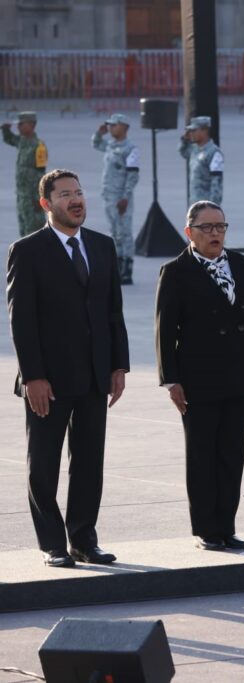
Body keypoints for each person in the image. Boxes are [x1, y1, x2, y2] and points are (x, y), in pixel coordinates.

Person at [7, 169, 129, 568]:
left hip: (95, 375)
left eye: (78, 192)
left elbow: (113, 312)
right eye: (64, 195)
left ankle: (83, 540)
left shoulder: (102, 246)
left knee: (89, 462)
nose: (75, 200)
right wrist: (34, 377)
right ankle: (52, 544)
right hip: (49, 380)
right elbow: (21, 320)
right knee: (43, 464)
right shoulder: (27, 250)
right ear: (46, 204)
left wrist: (118, 366)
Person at [156, 200, 244, 551]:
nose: (215, 234)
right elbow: (164, 330)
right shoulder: (176, 271)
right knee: (203, 454)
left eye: (220, 227)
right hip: (198, 380)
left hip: (238, 375)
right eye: (207, 228)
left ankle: (227, 525)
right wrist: (171, 379)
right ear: (189, 232)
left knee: (232, 453)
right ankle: (207, 528)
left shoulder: (242, 264)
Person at [92, 113, 140, 285]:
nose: (111, 128)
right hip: (109, 197)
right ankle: (118, 266)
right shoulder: (110, 145)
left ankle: (127, 270)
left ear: (124, 127)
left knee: (125, 233)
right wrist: (99, 133)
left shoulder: (131, 149)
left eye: (114, 125)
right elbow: (96, 144)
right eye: (110, 125)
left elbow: (133, 176)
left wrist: (125, 197)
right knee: (114, 233)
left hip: (121, 199)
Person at [2, 112, 48, 237]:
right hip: (22, 197)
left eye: (21, 124)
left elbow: (41, 174)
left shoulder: (39, 146)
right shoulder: (22, 141)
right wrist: (5, 130)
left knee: (35, 235)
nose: (18, 127)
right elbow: (10, 139)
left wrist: (39, 198)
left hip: (33, 200)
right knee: (24, 234)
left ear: (31, 125)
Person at [178, 116, 223, 205]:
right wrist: (184, 139)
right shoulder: (194, 150)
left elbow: (216, 182)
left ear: (204, 131)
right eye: (190, 131)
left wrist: (212, 206)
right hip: (194, 201)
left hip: (206, 204)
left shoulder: (214, 152)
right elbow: (182, 151)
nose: (191, 134)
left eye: (194, 131)